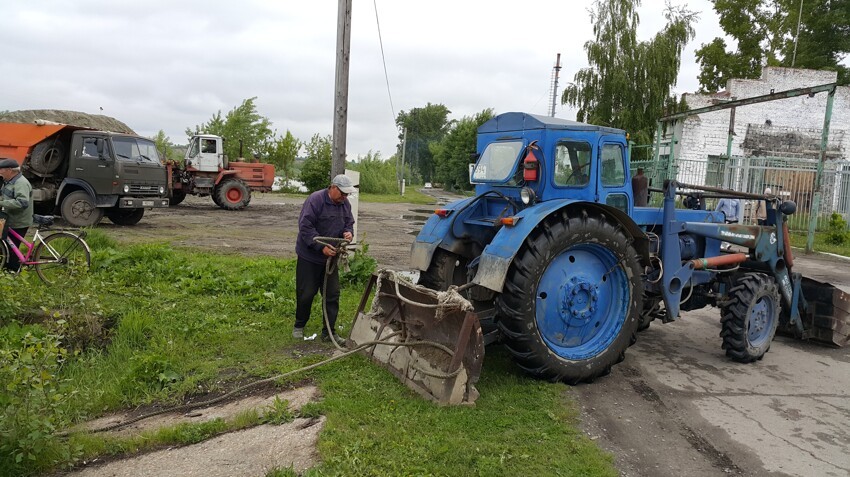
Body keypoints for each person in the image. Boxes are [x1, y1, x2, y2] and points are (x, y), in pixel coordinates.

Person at [294, 174, 356, 343]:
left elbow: (349, 222)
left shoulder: (345, 204)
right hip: (310, 257)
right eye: (342, 193)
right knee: (306, 293)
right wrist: (321, 248)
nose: (345, 197)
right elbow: (305, 227)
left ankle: (328, 332)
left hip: (331, 258)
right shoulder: (315, 200)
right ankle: (299, 325)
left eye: (347, 194)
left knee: (332, 294)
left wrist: (348, 232)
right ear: (333, 187)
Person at [0, 158, 33, 272]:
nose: (0, 172)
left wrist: (1, 203)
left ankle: (13, 272)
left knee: (12, 248)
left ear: (10, 170)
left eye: (1, 169)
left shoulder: (21, 183)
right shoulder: (9, 181)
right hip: (10, 219)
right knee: (6, 245)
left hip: (19, 221)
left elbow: (22, 203)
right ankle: (6, 268)